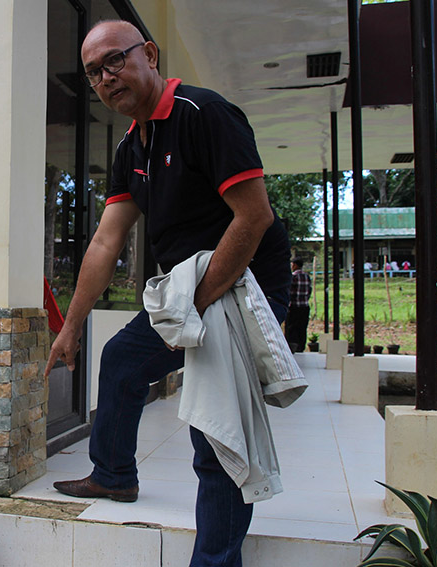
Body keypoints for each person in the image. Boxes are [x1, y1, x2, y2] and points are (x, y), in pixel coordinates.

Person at [44, 20, 291, 567]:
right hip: (188, 290)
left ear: (148, 55)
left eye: (114, 61)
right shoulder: (132, 144)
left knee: (215, 433)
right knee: (123, 359)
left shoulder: (204, 115)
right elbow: (106, 243)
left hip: (245, 280)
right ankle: (113, 476)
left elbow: (253, 218)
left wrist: (193, 313)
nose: (106, 78)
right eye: (93, 73)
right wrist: (72, 325)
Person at [284, 258, 311, 352]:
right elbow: (309, 291)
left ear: (295, 265)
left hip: (294, 306)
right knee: (302, 327)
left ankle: (292, 346)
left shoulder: (293, 277)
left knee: (292, 327)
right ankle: (301, 347)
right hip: (304, 306)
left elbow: (289, 292)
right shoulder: (307, 276)